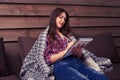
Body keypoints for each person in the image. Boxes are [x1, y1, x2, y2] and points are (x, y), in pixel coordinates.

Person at [20, 8, 111, 80]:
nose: (63, 20)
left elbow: (78, 55)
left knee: (101, 78)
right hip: (61, 65)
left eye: (64, 19)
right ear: (54, 17)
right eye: (60, 17)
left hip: (77, 62)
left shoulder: (67, 35)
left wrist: (77, 52)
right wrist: (66, 50)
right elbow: (47, 59)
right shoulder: (47, 36)